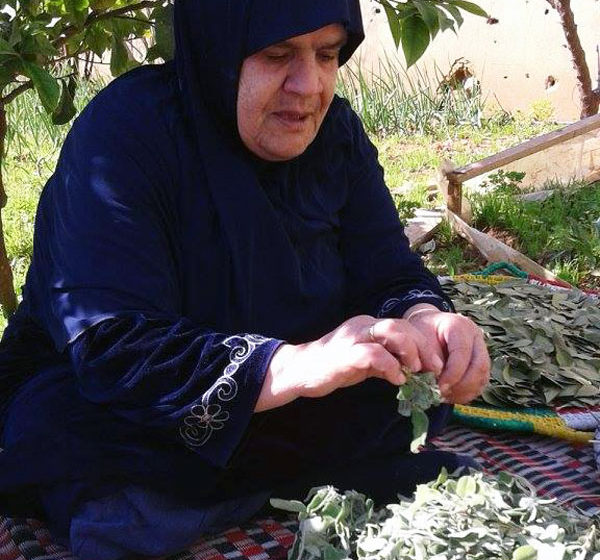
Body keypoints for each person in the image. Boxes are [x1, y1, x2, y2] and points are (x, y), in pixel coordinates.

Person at [0, 1, 490, 558]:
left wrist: (426, 321)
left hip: (291, 393)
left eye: (327, 54)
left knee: (395, 387)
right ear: (219, 53)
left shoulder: (336, 136)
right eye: (278, 54)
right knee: (98, 454)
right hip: (138, 406)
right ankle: (270, 484)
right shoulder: (125, 136)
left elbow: (390, 271)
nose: (308, 86)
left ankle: (249, 489)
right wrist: (297, 366)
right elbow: (111, 344)